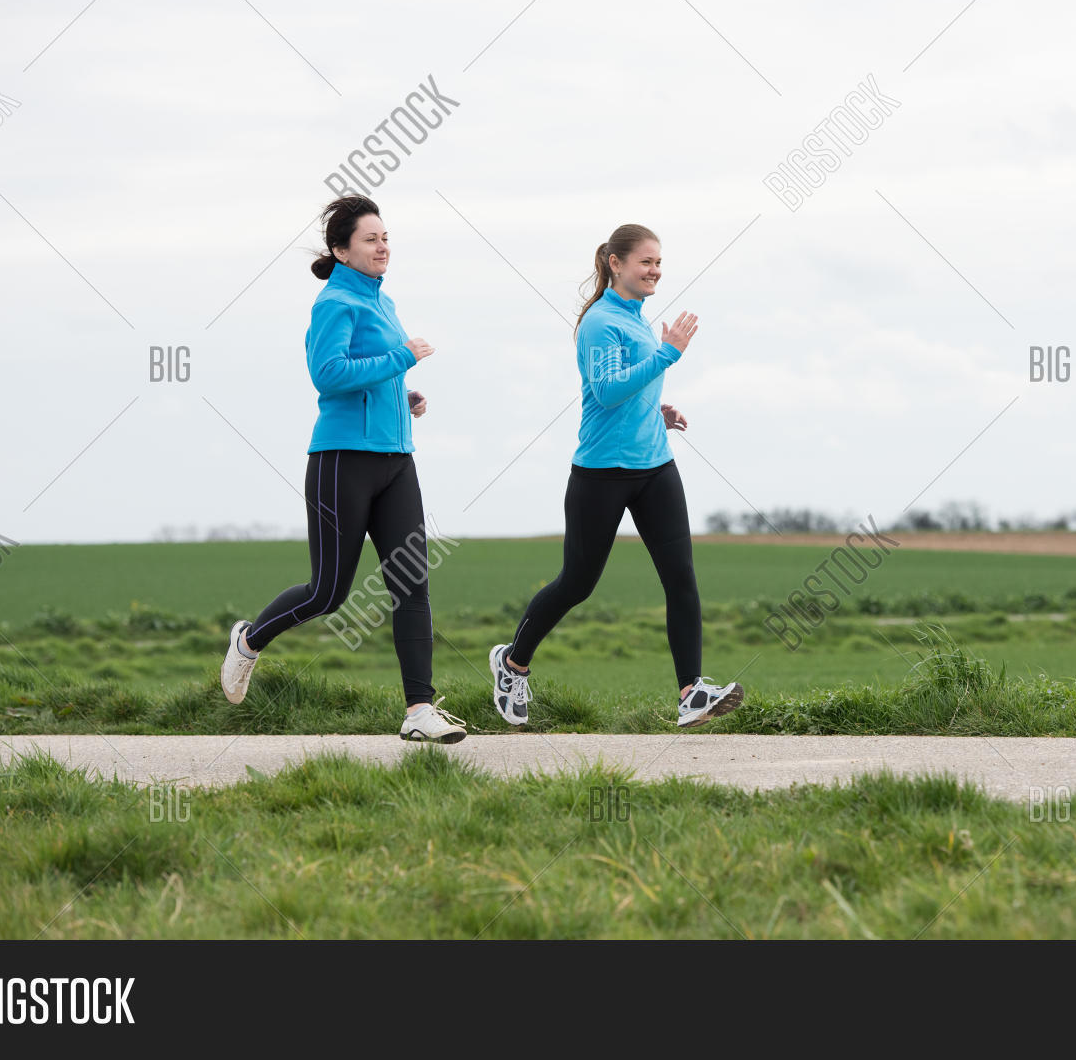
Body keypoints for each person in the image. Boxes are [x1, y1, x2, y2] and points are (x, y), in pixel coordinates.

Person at [218, 194, 465, 744]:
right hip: (341, 462)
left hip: (396, 462)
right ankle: (249, 641)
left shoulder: (384, 302)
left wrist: (404, 395)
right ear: (341, 249)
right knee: (329, 591)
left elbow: (368, 373)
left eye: (386, 237)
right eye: (371, 239)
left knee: (411, 583)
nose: (383, 246)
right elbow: (328, 375)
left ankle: (419, 711)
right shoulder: (334, 303)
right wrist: (402, 359)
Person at [489, 224, 745, 729]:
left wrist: (655, 413)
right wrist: (669, 353)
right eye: (646, 263)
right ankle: (512, 664)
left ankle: (691, 693)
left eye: (658, 264)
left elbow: (631, 388)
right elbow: (605, 391)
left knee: (681, 579)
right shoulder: (601, 323)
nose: (655, 272)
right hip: (602, 472)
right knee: (577, 584)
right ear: (616, 264)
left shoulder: (637, 319)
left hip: (655, 467)